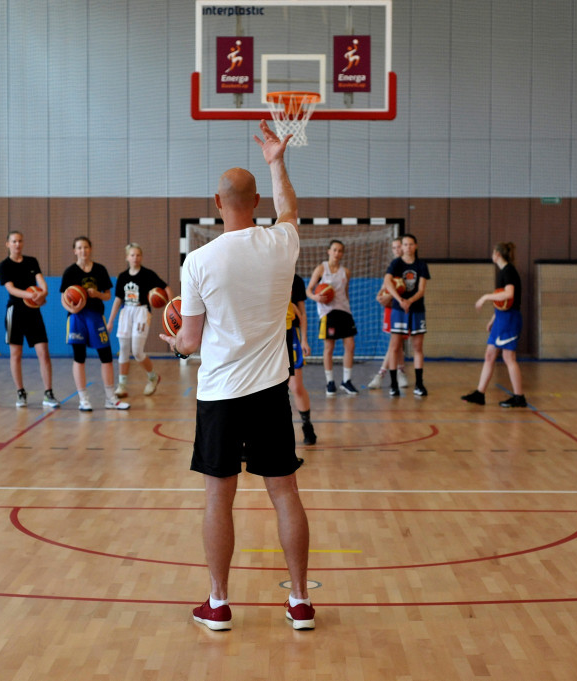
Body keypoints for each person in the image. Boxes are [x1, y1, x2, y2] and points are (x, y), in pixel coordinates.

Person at [160, 120, 315, 631]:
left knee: (217, 499)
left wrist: (176, 345)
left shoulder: (198, 261)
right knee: (285, 495)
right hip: (270, 392)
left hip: (220, 395)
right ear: (256, 203)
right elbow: (290, 209)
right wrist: (277, 161)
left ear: (216, 202)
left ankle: (219, 603)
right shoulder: (282, 242)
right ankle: (299, 602)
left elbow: (190, 341)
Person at [59, 237, 129, 412]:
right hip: (76, 318)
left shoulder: (100, 269)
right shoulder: (70, 272)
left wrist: (97, 294)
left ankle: (110, 399)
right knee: (79, 357)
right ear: (75, 251)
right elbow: (63, 298)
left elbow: (108, 295)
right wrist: (72, 308)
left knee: (106, 357)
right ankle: (83, 399)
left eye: (86, 247)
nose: (83, 250)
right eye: (79, 248)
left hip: (96, 317)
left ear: (90, 249)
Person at [462, 242, 527, 408]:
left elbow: (509, 294)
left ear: (497, 254)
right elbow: (502, 302)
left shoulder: (509, 271)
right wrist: (493, 319)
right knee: (489, 355)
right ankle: (480, 394)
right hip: (502, 318)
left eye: (493, 252)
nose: (492, 254)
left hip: (509, 319)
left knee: (508, 357)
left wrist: (485, 297)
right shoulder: (503, 272)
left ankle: (519, 397)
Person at [0, 230, 58, 408]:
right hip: (15, 312)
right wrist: (31, 295)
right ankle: (20, 392)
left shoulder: (32, 261)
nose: (17, 244)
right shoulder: (4, 265)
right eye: (14, 241)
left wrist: (43, 293)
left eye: (20, 241)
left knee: (43, 352)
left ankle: (48, 393)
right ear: (8, 244)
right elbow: (11, 289)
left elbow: (41, 282)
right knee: (16, 354)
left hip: (33, 313)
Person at [106, 243, 172, 398]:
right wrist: (110, 321)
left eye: (138, 255)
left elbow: (166, 288)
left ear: (141, 257)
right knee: (123, 349)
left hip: (141, 311)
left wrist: (171, 308)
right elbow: (118, 299)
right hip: (126, 312)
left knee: (136, 351)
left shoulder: (148, 274)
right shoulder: (122, 276)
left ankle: (153, 377)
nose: (135, 258)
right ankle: (122, 385)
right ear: (127, 257)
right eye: (132, 255)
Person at [306, 240, 359, 396]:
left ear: (342, 254)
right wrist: (315, 297)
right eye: (334, 250)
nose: (337, 253)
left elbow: (345, 293)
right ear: (329, 251)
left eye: (340, 251)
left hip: (344, 311)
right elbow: (309, 290)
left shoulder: (346, 272)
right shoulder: (321, 269)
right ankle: (330, 382)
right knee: (329, 347)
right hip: (327, 312)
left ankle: (346, 381)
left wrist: (348, 309)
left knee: (350, 345)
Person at [384, 234, 429, 397]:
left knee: (417, 347)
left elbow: (422, 289)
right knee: (395, 347)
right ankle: (393, 384)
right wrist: (399, 300)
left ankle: (419, 384)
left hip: (416, 309)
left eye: (411, 244)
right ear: (401, 247)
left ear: (415, 246)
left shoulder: (421, 265)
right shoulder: (396, 263)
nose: (408, 247)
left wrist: (409, 301)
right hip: (399, 309)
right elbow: (387, 282)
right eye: (405, 244)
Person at [368, 237, 409, 389]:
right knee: (396, 343)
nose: (397, 250)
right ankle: (400, 372)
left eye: (399, 247)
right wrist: (380, 296)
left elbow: (406, 289)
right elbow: (384, 287)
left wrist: (391, 296)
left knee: (396, 343)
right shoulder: (392, 267)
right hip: (391, 309)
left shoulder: (408, 267)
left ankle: (382, 374)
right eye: (394, 248)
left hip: (403, 307)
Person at [287, 274, 317, 446]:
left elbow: (302, 313)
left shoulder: (295, 280)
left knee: (296, 386)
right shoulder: (263, 274)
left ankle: (307, 425)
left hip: (291, 334)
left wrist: (304, 339)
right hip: (269, 334)